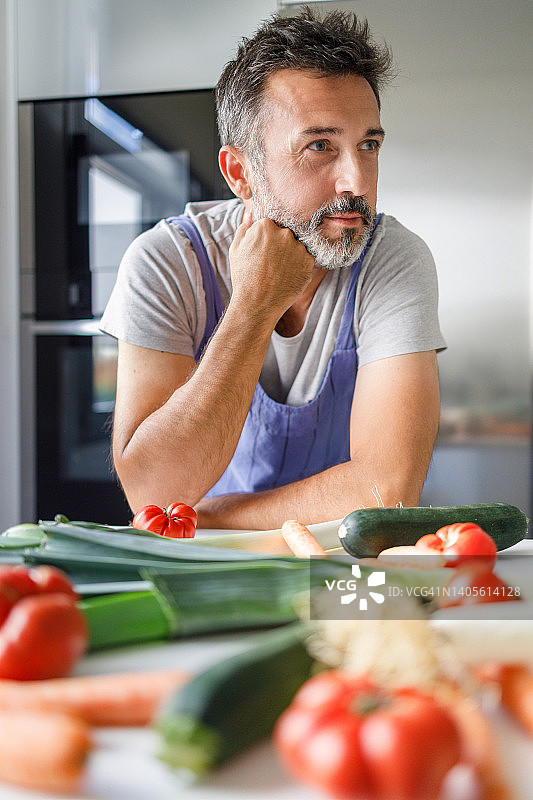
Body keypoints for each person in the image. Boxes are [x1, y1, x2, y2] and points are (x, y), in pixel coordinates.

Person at [100, 8, 446, 530]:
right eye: (320, 146)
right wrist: (255, 302)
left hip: (335, 565)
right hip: (202, 571)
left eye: (368, 145)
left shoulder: (393, 259)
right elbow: (152, 489)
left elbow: (388, 489)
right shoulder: (166, 262)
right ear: (241, 173)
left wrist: (211, 518)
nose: (356, 180)